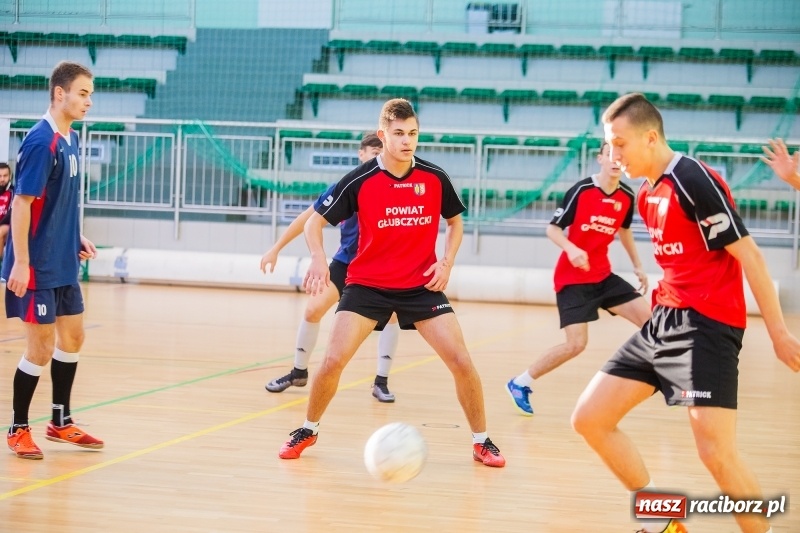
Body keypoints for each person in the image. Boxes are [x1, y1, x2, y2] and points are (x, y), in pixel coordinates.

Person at [570, 93, 800, 533]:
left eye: (619, 144)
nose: (613, 156)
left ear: (650, 137)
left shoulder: (691, 178)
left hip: (707, 327)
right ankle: (664, 521)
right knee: (590, 418)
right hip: (664, 322)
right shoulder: (646, 188)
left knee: (716, 454)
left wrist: (779, 333)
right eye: (608, 145)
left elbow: (749, 256)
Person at [278, 98, 505, 467]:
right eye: (399, 134)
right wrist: (319, 259)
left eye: (413, 133)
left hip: (420, 286)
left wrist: (446, 262)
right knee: (333, 360)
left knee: (461, 360)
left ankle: (481, 441)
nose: (407, 141)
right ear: (383, 135)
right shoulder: (360, 179)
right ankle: (308, 427)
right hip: (367, 285)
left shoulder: (434, 176)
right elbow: (313, 221)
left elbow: (456, 222)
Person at [506, 141, 651, 415]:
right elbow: (553, 230)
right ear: (600, 159)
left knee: (652, 323)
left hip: (603, 276)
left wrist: (638, 265)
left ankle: (658, 378)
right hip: (572, 278)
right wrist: (572, 248)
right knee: (576, 345)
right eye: (610, 154)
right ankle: (519, 383)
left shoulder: (626, 196)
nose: (615, 160)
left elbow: (625, 231)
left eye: (620, 155)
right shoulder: (583, 190)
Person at [4, 61, 103, 460]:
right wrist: (21, 263)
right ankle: (17, 427)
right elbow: (21, 205)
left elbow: (57, 200)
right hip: (38, 266)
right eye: (82, 93)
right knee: (40, 349)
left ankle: (60, 422)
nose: (89, 101)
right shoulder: (39, 141)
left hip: (63, 260)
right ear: (59, 93)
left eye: (91, 94)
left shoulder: (71, 138)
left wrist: (72, 234)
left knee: (74, 338)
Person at [261, 133, 400, 403]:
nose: (377, 159)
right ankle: (298, 372)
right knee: (313, 310)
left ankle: (381, 381)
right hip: (346, 263)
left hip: (381, 268)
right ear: (361, 154)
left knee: (392, 317)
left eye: (381, 154)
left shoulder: (393, 188)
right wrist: (277, 247)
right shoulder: (347, 186)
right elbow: (309, 218)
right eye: (373, 153)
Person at [0, 162, 13, 256]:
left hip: (8, 225)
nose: (2, 179)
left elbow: (11, 213)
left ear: (10, 177)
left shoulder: (14, 192)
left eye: (5, 176)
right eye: (0, 176)